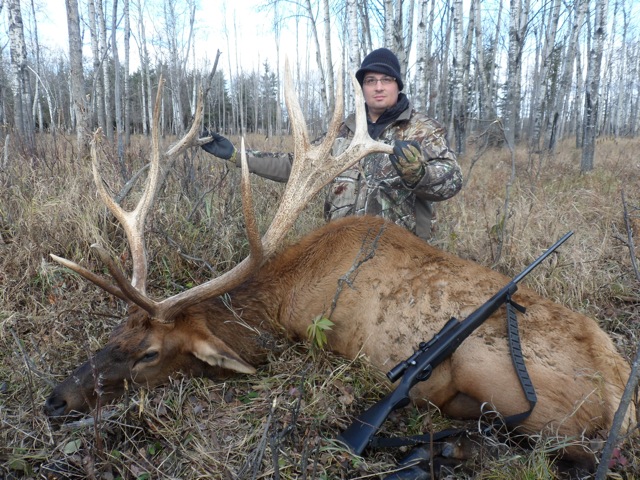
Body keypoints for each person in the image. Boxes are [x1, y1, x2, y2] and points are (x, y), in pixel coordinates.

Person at [201, 48, 462, 241]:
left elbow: (452, 180)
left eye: (386, 80)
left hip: (402, 251)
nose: (378, 87)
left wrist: (420, 174)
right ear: (362, 88)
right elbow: (295, 165)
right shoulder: (341, 131)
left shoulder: (423, 130)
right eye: (370, 81)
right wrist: (237, 155)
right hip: (342, 247)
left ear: (398, 85)